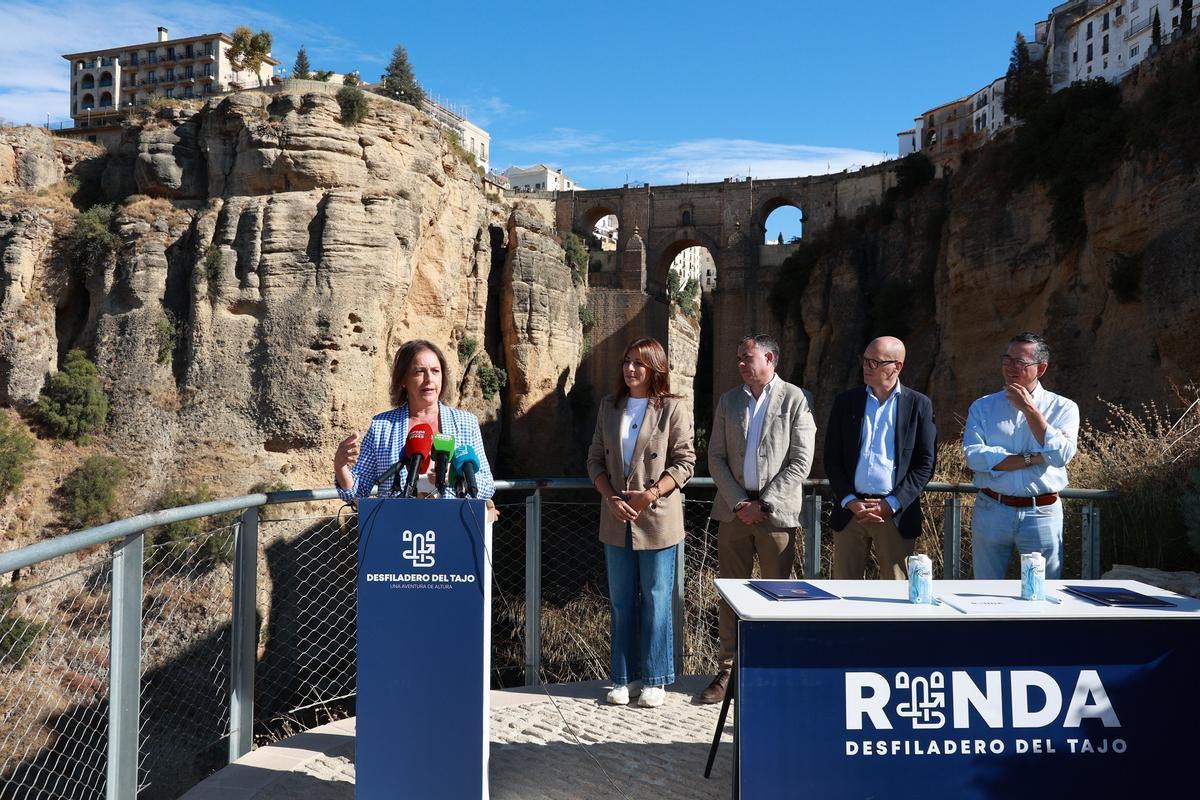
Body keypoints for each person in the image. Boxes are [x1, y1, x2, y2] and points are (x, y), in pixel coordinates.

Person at [700, 334, 816, 705]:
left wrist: (763, 504)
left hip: (776, 515)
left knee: (776, 596)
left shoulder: (795, 398)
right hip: (734, 514)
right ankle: (727, 672)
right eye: (737, 357)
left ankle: (771, 671)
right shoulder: (728, 400)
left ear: (769, 358)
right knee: (731, 595)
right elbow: (715, 456)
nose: (739, 363)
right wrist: (739, 503)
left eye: (745, 357)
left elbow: (801, 460)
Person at [586, 338, 695, 708]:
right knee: (620, 601)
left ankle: (654, 679)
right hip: (616, 517)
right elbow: (594, 461)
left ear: (655, 369)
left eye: (640, 364)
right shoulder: (610, 406)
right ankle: (622, 677)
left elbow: (685, 462)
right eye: (627, 362)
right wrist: (610, 497)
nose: (630, 370)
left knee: (656, 598)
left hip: (657, 517)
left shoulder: (672, 407)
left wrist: (649, 494)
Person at [963, 332, 1078, 579]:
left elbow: (1060, 457)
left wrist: (1030, 410)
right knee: (985, 591)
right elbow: (975, 458)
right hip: (992, 508)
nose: (1010, 367)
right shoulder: (983, 407)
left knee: (1042, 591)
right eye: (1007, 359)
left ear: (1041, 368)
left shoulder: (1063, 408)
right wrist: (1034, 457)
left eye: (1020, 362)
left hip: (1042, 511)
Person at [825, 336, 937, 580]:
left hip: (895, 515)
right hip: (850, 513)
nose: (866, 367)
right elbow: (831, 458)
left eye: (874, 362)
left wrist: (892, 504)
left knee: (896, 593)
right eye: (864, 360)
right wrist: (849, 500)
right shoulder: (846, 402)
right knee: (843, 592)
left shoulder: (919, 405)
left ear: (896, 366)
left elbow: (925, 464)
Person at [334, 339, 495, 502]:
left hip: (451, 524)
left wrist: (456, 477)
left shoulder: (466, 423)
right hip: (398, 525)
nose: (429, 379)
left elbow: (487, 485)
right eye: (419, 371)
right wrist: (340, 467)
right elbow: (357, 492)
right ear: (403, 379)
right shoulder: (381, 427)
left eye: (435, 371)